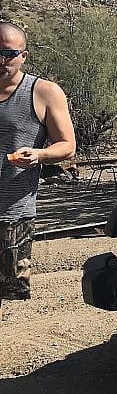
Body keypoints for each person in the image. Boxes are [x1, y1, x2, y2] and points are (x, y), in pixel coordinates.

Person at [0, 20, 76, 301]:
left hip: (11, 213)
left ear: (23, 55)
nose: (1, 60)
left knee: (6, 290)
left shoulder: (43, 92)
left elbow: (68, 146)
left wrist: (39, 155)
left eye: (8, 53)